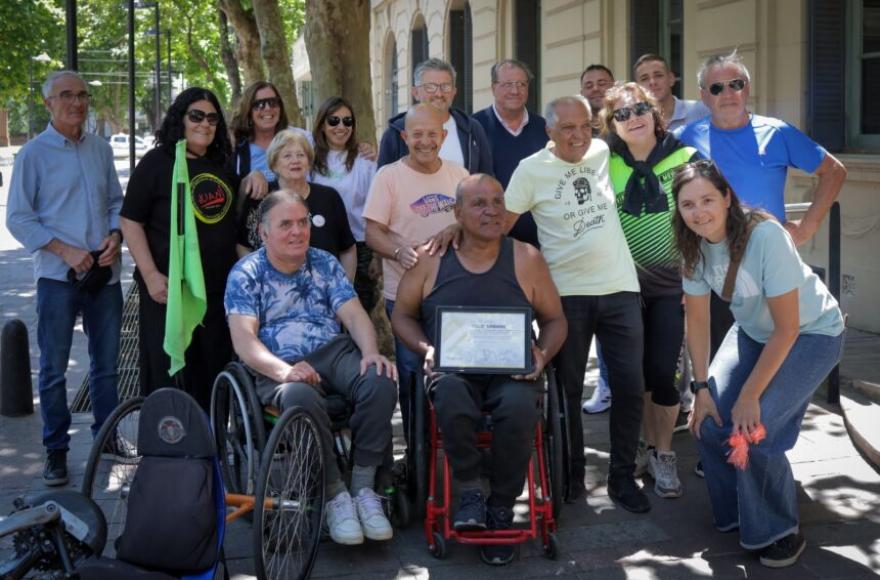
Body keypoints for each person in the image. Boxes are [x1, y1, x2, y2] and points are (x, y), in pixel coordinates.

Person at [673, 160, 844, 568]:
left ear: (727, 197)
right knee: (711, 421)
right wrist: (699, 390)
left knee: (756, 427)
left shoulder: (765, 237)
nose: (699, 212)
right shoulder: (692, 245)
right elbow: (696, 320)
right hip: (753, 333)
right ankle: (740, 511)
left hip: (812, 334)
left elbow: (787, 329)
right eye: (688, 204)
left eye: (708, 200)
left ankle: (778, 529)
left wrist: (750, 395)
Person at [391, 174, 567, 565]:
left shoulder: (526, 258)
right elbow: (401, 315)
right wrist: (426, 349)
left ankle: (502, 505)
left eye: (497, 202)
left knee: (522, 406)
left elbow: (556, 320)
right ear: (456, 213)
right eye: (479, 203)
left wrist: (541, 355)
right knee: (450, 393)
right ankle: (469, 489)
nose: (491, 211)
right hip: (454, 369)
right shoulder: (431, 259)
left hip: (512, 372)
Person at [225, 190, 398, 546]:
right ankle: (335, 495)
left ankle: (363, 490)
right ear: (264, 232)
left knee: (379, 379)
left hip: (332, 353)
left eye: (302, 222)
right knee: (300, 395)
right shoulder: (246, 273)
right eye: (285, 224)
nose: (297, 231)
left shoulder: (323, 262)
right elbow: (244, 341)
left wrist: (371, 352)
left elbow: (353, 315)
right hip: (276, 363)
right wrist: (283, 372)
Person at [504, 95, 649, 513]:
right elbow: (501, 225)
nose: (579, 135)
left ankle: (622, 478)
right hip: (565, 295)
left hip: (620, 287)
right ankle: (570, 476)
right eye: (568, 128)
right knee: (566, 392)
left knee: (629, 387)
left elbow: (646, 129)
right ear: (549, 131)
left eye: (585, 126)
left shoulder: (602, 151)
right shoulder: (531, 169)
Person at [677, 49, 847, 360]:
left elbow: (833, 171)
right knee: (721, 364)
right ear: (703, 96)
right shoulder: (686, 139)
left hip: (770, 263)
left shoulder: (777, 132)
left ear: (747, 88)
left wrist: (807, 227)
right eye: (717, 88)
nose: (728, 93)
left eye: (736, 84)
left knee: (777, 356)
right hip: (715, 270)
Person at [7, 70, 123, 486]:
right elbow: (19, 218)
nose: (77, 102)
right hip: (58, 279)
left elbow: (115, 201)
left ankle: (107, 437)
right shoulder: (32, 155)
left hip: (104, 277)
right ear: (48, 103)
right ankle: (55, 451)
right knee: (54, 370)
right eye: (67, 95)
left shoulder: (101, 149)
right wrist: (65, 251)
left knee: (106, 367)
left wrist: (115, 235)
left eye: (83, 95)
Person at [600, 82, 701, 498]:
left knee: (664, 372)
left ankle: (664, 453)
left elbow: (705, 213)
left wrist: (695, 277)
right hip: (622, 286)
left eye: (640, 108)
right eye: (622, 114)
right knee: (632, 374)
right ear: (611, 124)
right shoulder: (601, 161)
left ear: (655, 112)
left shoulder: (684, 156)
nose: (633, 117)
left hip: (671, 286)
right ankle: (643, 443)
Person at [120, 87, 238, 411]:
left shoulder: (222, 164)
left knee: (212, 376)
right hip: (166, 291)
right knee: (167, 376)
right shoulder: (158, 162)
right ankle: (168, 452)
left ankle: (210, 454)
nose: (205, 124)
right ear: (180, 119)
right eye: (196, 116)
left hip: (216, 292)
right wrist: (150, 275)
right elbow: (130, 221)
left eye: (212, 118)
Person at [364, 104, 470, 434]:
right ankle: (416, 453)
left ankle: (454, 447)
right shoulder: (389, 176)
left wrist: (457, 228)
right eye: (417, 135)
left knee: (458, 374)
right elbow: (372, 232)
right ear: (404, 137)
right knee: (411, 376)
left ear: (444, 136)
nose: (425, 142)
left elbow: (476, 223)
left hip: (456, 293)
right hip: (406, 297)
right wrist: (397, 252)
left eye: (432, 135)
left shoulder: (459, 175)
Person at [235, 129, 356, 280]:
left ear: (309, 162)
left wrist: (345, 290)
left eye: (300, 155)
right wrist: (258, 281)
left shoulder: (329, 197)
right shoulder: (260, 199)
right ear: (274, 164)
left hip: (325, 295)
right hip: (273, 296)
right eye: (287, 156)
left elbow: (348, 249)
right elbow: (243, 246)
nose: (295, 160)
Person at [229, 81, 376, 201]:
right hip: (258, 228)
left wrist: (360, 147)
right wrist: (250, 178)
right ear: (249, 109)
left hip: (303, 224)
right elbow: (235, 194)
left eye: (273, 103)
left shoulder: (302, 138)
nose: (267, 109)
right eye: (259, 104)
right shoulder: (238, 149)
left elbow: (333, 140)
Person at [311, 96, 379, 312]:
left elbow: (376, 208)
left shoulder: (365, 159)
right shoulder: (308, 157)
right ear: (322, 123)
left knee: (358, 311)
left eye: (347, 121)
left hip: (359, 247)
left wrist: (377, 255)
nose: (341, 126)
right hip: (318, 245)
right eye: (334, 121)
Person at [472, 59, 547, 247]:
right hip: (492, 243)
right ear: (493, 88)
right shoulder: (474, 127)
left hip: (541, 243)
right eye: (508, 85)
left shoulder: (545, 129)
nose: (515, 91)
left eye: (521, 84)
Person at [378, 58, 493, 174]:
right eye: (430, 87)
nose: (439, 94)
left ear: (454, 92)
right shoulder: (395, 134)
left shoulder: (472, 129)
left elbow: (486, 178)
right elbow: (383, 183)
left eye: (445, 87)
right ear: (415, 92)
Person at [633, 53, 709, 132]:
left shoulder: (702, 111)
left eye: (658, 75)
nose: (652, 82)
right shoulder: (635, 124)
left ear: (671, 79)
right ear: (637, 87)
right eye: (644, 79)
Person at [580, 64, 615, 135]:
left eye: (602, 84)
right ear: (582, 94)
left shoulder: (627, 121)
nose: (595, 89)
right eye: (589, 86)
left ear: (614, 88)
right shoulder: (577, 128)